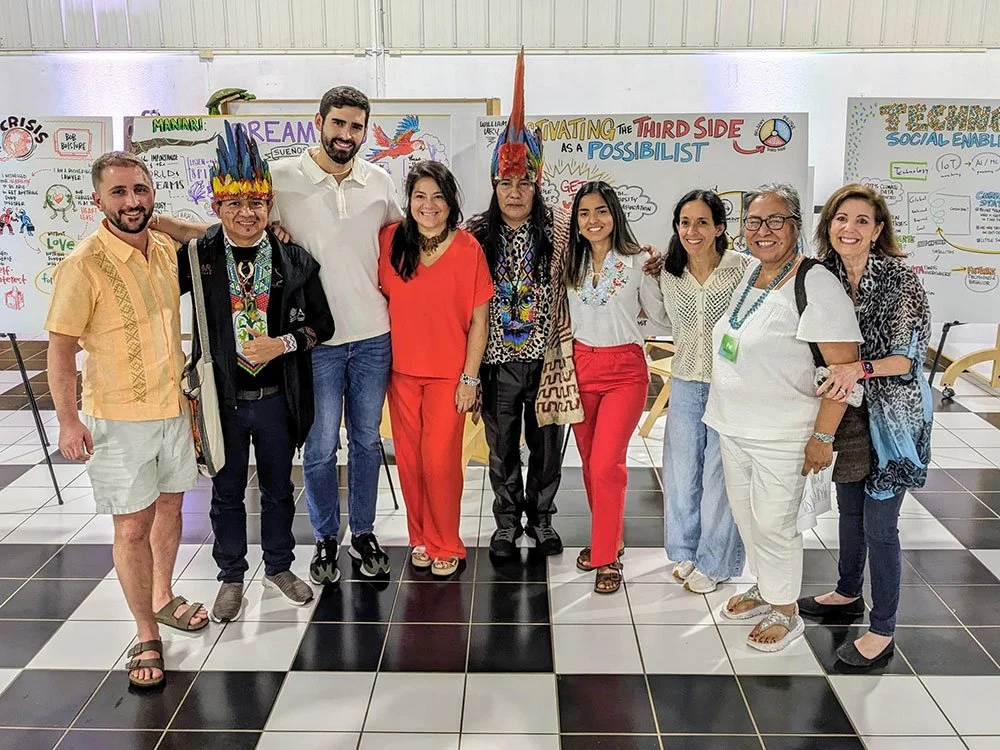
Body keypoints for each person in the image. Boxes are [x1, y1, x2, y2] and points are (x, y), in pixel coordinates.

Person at [157, 86, 402, 582]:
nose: (346, 134)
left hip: (373, 334)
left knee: (366, 442)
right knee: (319, 446)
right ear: (319, 121)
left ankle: (364, 531)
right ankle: (326, 537)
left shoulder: (380, 181)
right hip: (317, 344)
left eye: (356, 126)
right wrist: (159, 222)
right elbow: (231, 227)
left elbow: (402, 238)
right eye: (338, 123)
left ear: (364, 131)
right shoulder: (283, 177)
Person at [45, 151, 207, 689]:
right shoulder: (83, 264)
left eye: (140, 189)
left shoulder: (163, 248)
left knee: (170, 508)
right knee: (132, 525)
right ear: (97, 200)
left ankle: (162, 597)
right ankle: (146, 632)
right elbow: (61, 349)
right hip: (117, 417)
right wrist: (68, 421)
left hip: (172, 407)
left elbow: (213, 236)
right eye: (119, 192)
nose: (132, 201)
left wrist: (160, 221)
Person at [178, 123, 334, 622]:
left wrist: (282, 343)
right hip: (223, 399)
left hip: (276, 398)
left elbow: (322, 325)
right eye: (234, 203)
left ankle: (279, 567)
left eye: (256, 203)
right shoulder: (199, 257)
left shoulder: (294, 260)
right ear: (217, 206)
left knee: (278, 489)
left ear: (269, 205)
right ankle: (230, 576)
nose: (246, 213)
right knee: (225, 493)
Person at [702, 183, 863, 652]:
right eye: (754, 221)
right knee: (747, 518)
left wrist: (822, 437)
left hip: (784, 434)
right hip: (733, 425)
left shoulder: (815, 282)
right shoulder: (753, 272)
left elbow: (843, 371)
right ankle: (766, 587)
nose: (763, 230)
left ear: (796, 225)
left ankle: (786, 611)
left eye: (776, 220)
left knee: (775, 524)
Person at [797, 183, 932, 668]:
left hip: (895, 419)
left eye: (861, 221)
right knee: (849, 510)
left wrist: (858, 368)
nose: (849, 229)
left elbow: (907, 358)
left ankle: (883, 628)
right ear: (828, 225)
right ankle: (847, 591)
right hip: (848, 413)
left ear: (877, 231)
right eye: (840, 219)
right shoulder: (823, 275)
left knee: (881, 525)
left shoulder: (899, 279)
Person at [465, 49, 568, 559]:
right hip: (497, 362)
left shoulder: (561, 231)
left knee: (547, 447)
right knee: (502, 447)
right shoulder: (474, 234)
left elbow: (605, 255)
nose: (514, 191)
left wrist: (650, 261)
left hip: (547, 360)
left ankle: (542, 519)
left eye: (524, 181)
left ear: (537, 183)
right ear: (494, 184)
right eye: (505, 182)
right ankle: (506, 522)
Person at [378, 160, 493, 577]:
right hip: (400, 373)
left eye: (438, 197)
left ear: (451, 201)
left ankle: (447, 542)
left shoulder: (468, 249)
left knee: (441, 462)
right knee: (410, 463)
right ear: (408, 201)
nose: (429, 205)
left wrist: (470, 378)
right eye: (420, 196)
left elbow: (480, 320)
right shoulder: (390, 240)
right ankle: (421, 538)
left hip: (449, 376)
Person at [560, 181, 669, 595]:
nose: (593, 220)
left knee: (608, 464)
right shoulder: (570, 261)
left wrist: (662, 274)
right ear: (576, 220)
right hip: (580, 367)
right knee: (591, 464)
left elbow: (659, 318)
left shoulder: (639, 260)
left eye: (601, 211)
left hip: (625, 370)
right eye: (584, 213)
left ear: (615, 214)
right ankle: (609, 537)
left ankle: (606, 557)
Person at [658, 190, 749, 594]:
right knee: (681, 474)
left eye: (701, 223)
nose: (691, 231)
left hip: (728, 386)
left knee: (719, 477)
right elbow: (659, 316)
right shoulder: (668, 272)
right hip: (684, 382)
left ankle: (716, 562)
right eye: (684, 223)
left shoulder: (742, 269)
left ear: (719, 228)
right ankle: (688, 551)